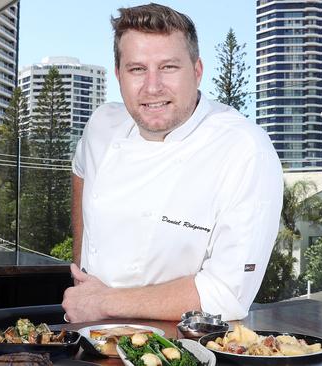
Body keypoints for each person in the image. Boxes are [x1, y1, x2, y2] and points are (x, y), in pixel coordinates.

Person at [62, 3, 283, 322]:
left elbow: (226, 294)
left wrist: (103, 302)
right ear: (118, 75)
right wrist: (83, 274)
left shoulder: (245, 150)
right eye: (137, 69)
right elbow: (80, 171)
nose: (152, 87)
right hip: (90, 334)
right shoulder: (102, 125)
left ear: (197, 71)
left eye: (168, 67)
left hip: (180, 348)